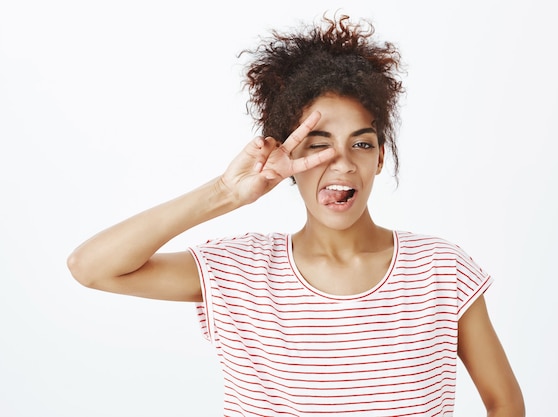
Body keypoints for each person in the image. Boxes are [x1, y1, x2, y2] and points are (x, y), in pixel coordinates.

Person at [67, 14, 525, 417]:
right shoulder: (240, 272)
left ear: (380, 157)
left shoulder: (440, 271)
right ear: (287, 155)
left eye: (361, 144)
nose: (342, 162)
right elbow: (90, 268)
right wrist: (226, 192)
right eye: (318, 144)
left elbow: (504, 403)